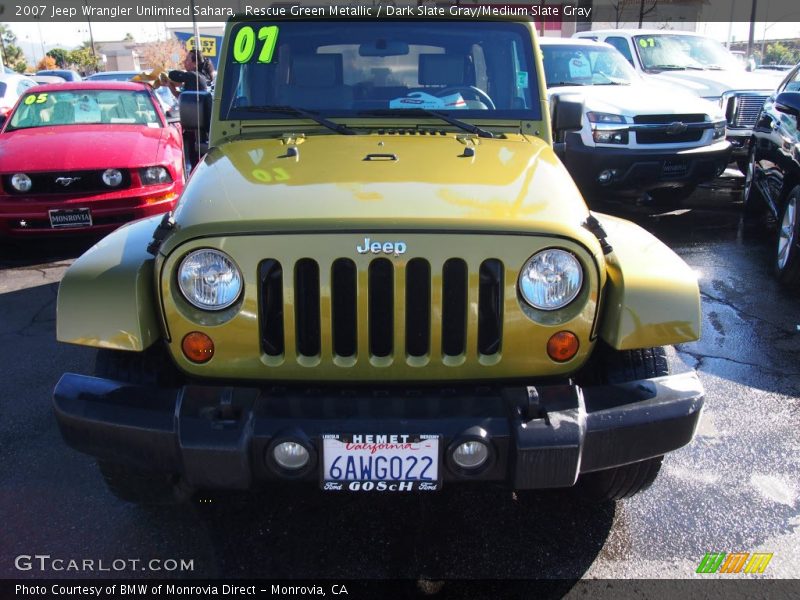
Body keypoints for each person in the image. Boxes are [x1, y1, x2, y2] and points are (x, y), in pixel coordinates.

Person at [161, 49, 214, 170]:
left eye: (187, 59)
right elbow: (182, 97)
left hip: (197, 130)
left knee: (196, 163)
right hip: (199, 127)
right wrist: (170, 85)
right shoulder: (200, 77)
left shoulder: (193, 76)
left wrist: (169, 77)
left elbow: (173, 74)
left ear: (195, 63)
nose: (184, 62)